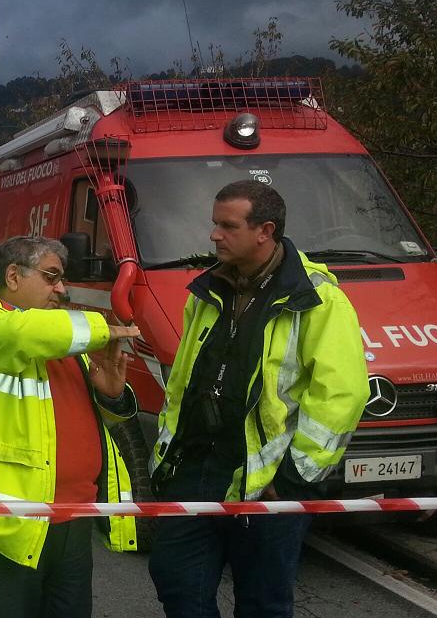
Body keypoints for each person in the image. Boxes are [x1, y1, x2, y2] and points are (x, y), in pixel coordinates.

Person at [148, 181, 369, 618]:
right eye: (215, 224)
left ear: (264, 230)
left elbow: (342, 394)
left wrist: (292, 479)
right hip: (193, 469)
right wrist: (167, 459)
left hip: (267, 480)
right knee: (178, 587)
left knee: (263, 604)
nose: (214, 235)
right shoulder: (207, 289)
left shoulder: (318, 299)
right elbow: (184, 382)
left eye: (227, 226)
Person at [0, 236, 141, 618]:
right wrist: (105, 328)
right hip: (4, 524)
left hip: (72, 521)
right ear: (13, 276)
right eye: (51, 277)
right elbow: (21, 334)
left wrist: (111, 397)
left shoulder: (56, 338)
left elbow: (72, 421)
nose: (61, 289)